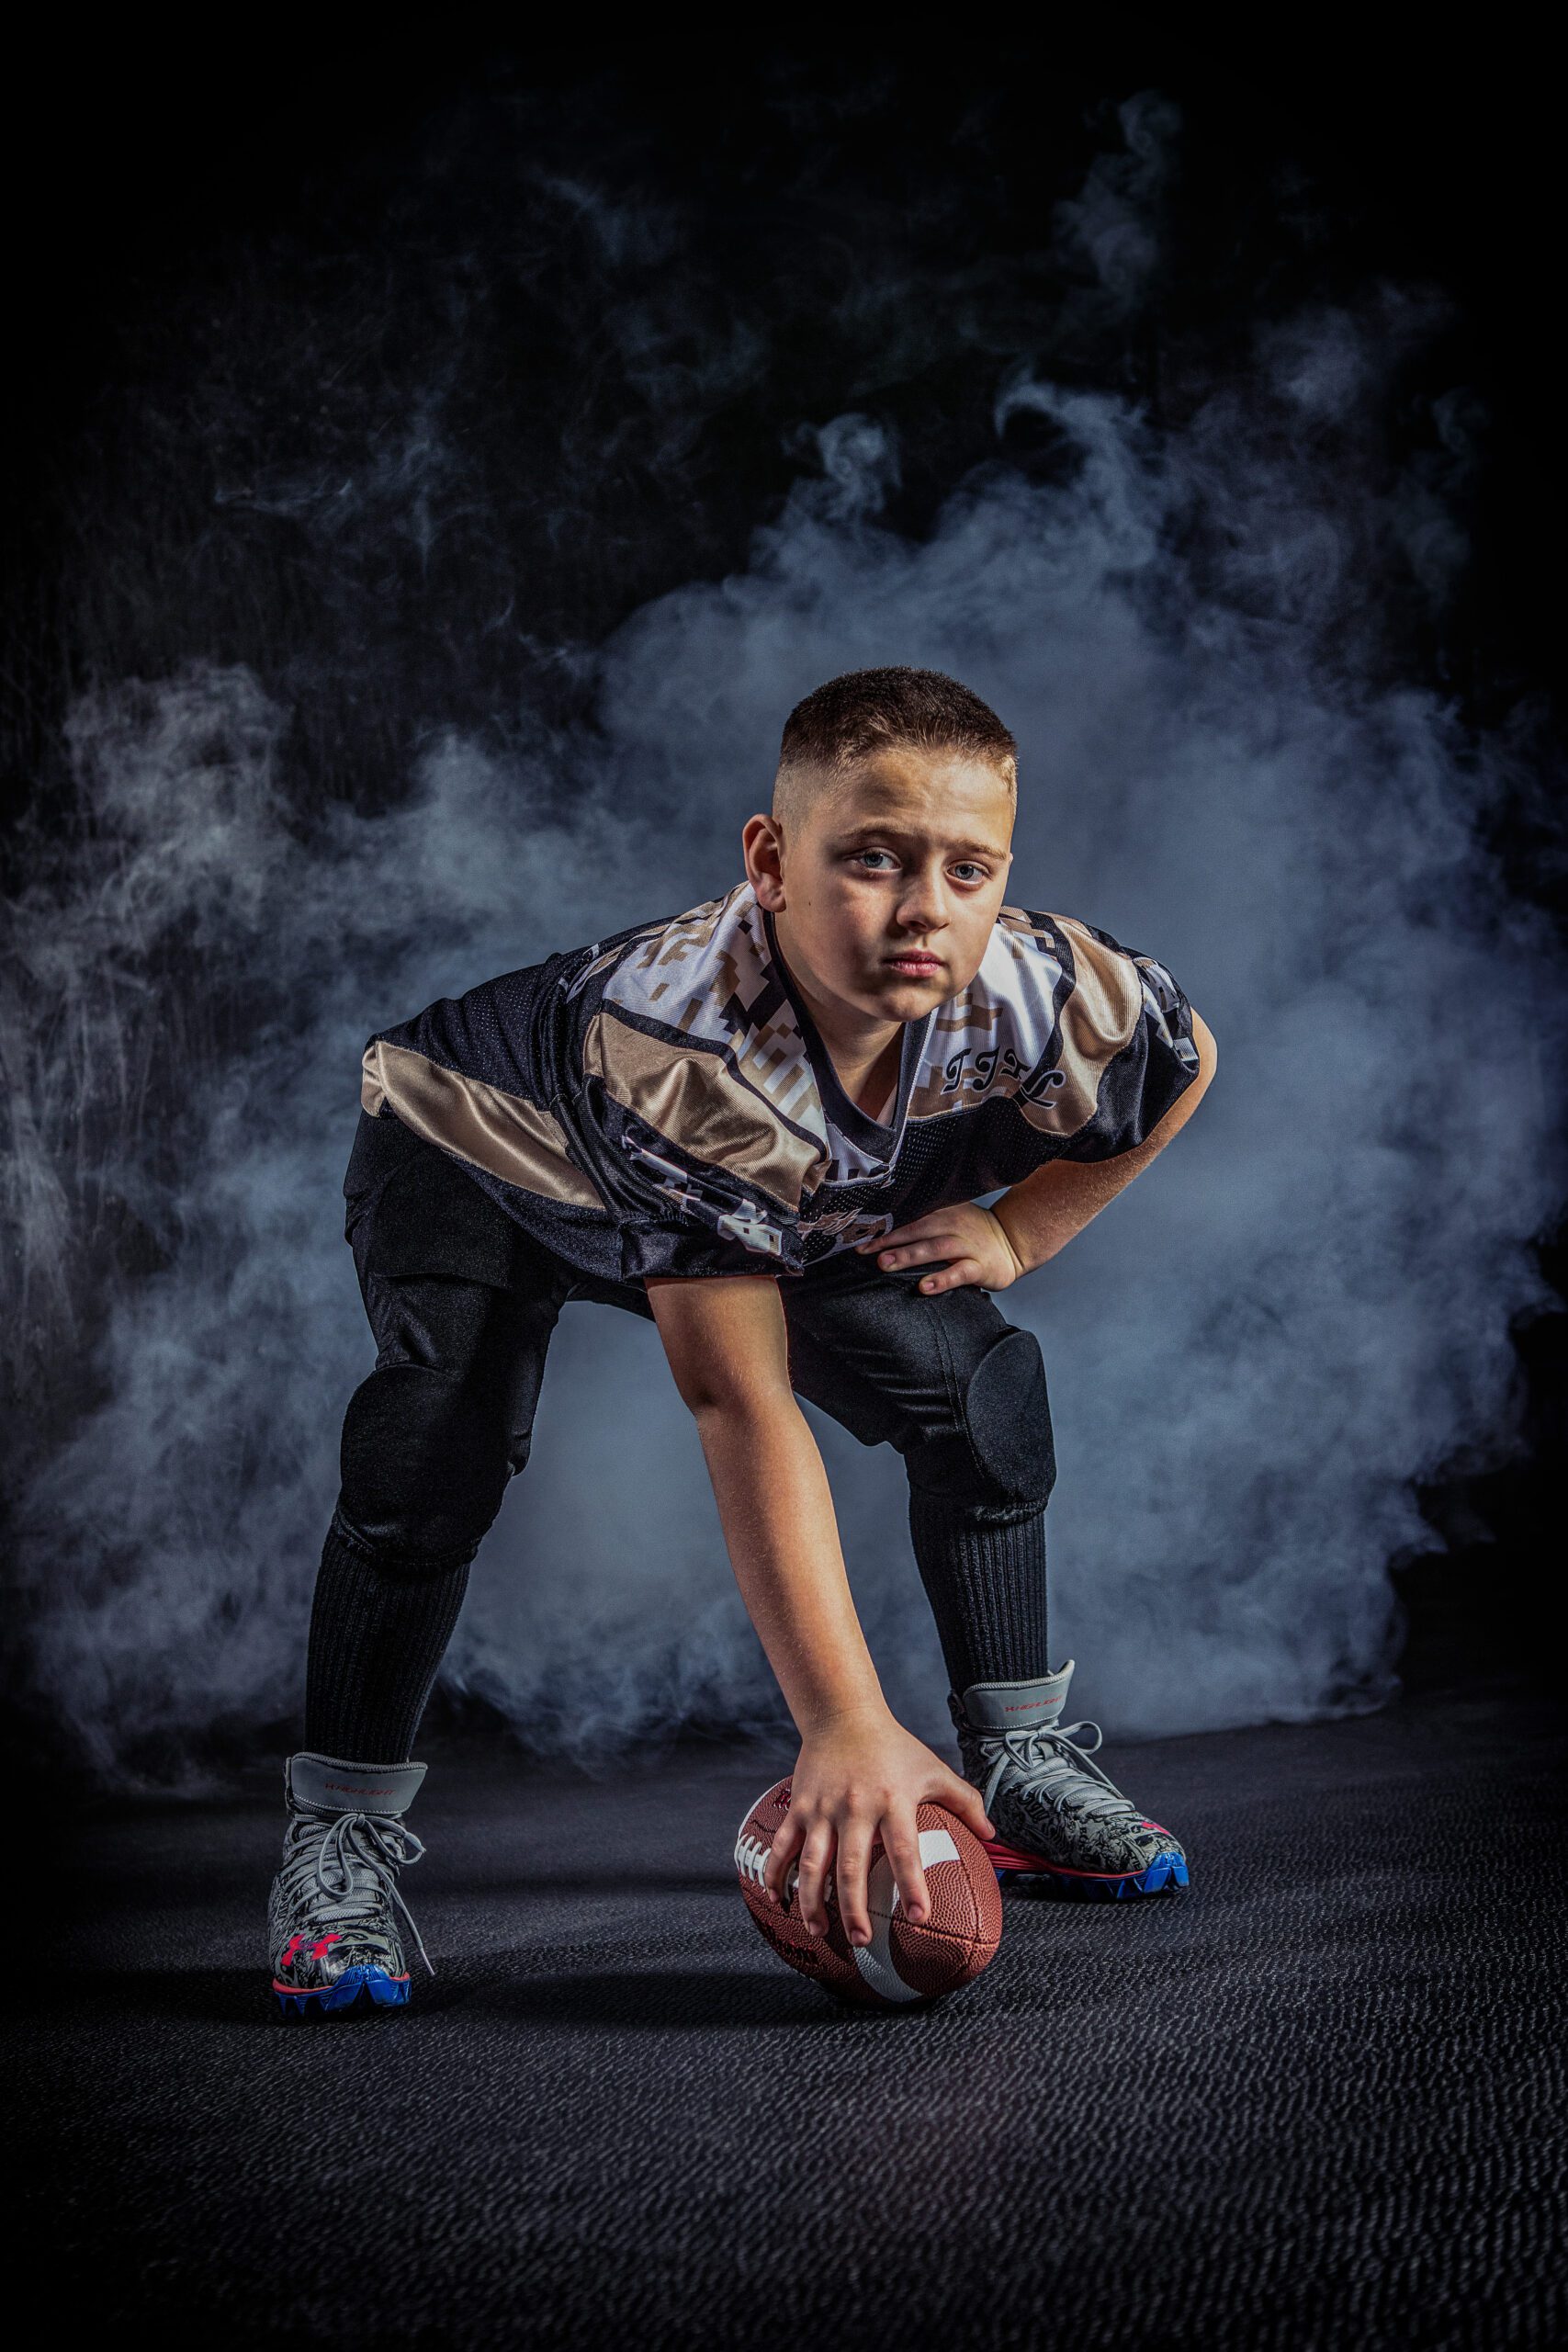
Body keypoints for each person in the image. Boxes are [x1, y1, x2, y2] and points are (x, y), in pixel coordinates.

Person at [269, 666, 1218, 2015]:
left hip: (759, 1187)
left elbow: (1190, 1063)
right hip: (483, 1148)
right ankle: (339, 1840)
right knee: (436, 1439)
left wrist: (1025, 1232)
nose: (924, 910)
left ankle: (1019, 1763)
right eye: (874, 859)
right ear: (770, 859)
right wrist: (841, 1723)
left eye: (968, 869)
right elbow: (737, 1398)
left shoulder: (1042, 987)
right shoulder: (686, 1045)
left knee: (980, 1383)